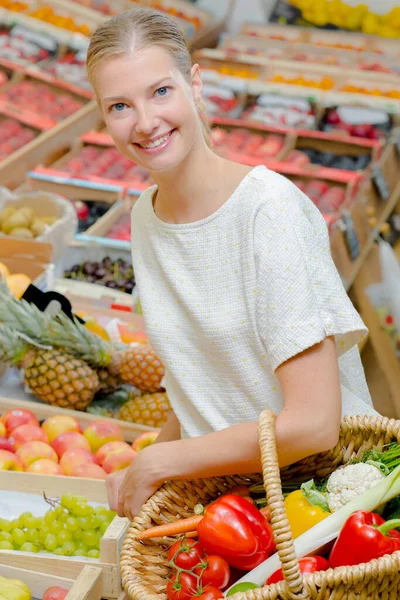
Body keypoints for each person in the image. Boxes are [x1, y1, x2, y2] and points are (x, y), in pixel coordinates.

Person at [86, 7, 378, 520]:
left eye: (160, 91)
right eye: (119, 106)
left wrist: (164, 460)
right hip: (233, 506)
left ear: (194, 85)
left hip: (319, 506)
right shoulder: (146, 218)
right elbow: (203, 384)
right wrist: (147, 468)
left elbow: (314, 425)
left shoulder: (268, 212)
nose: (146, 121)